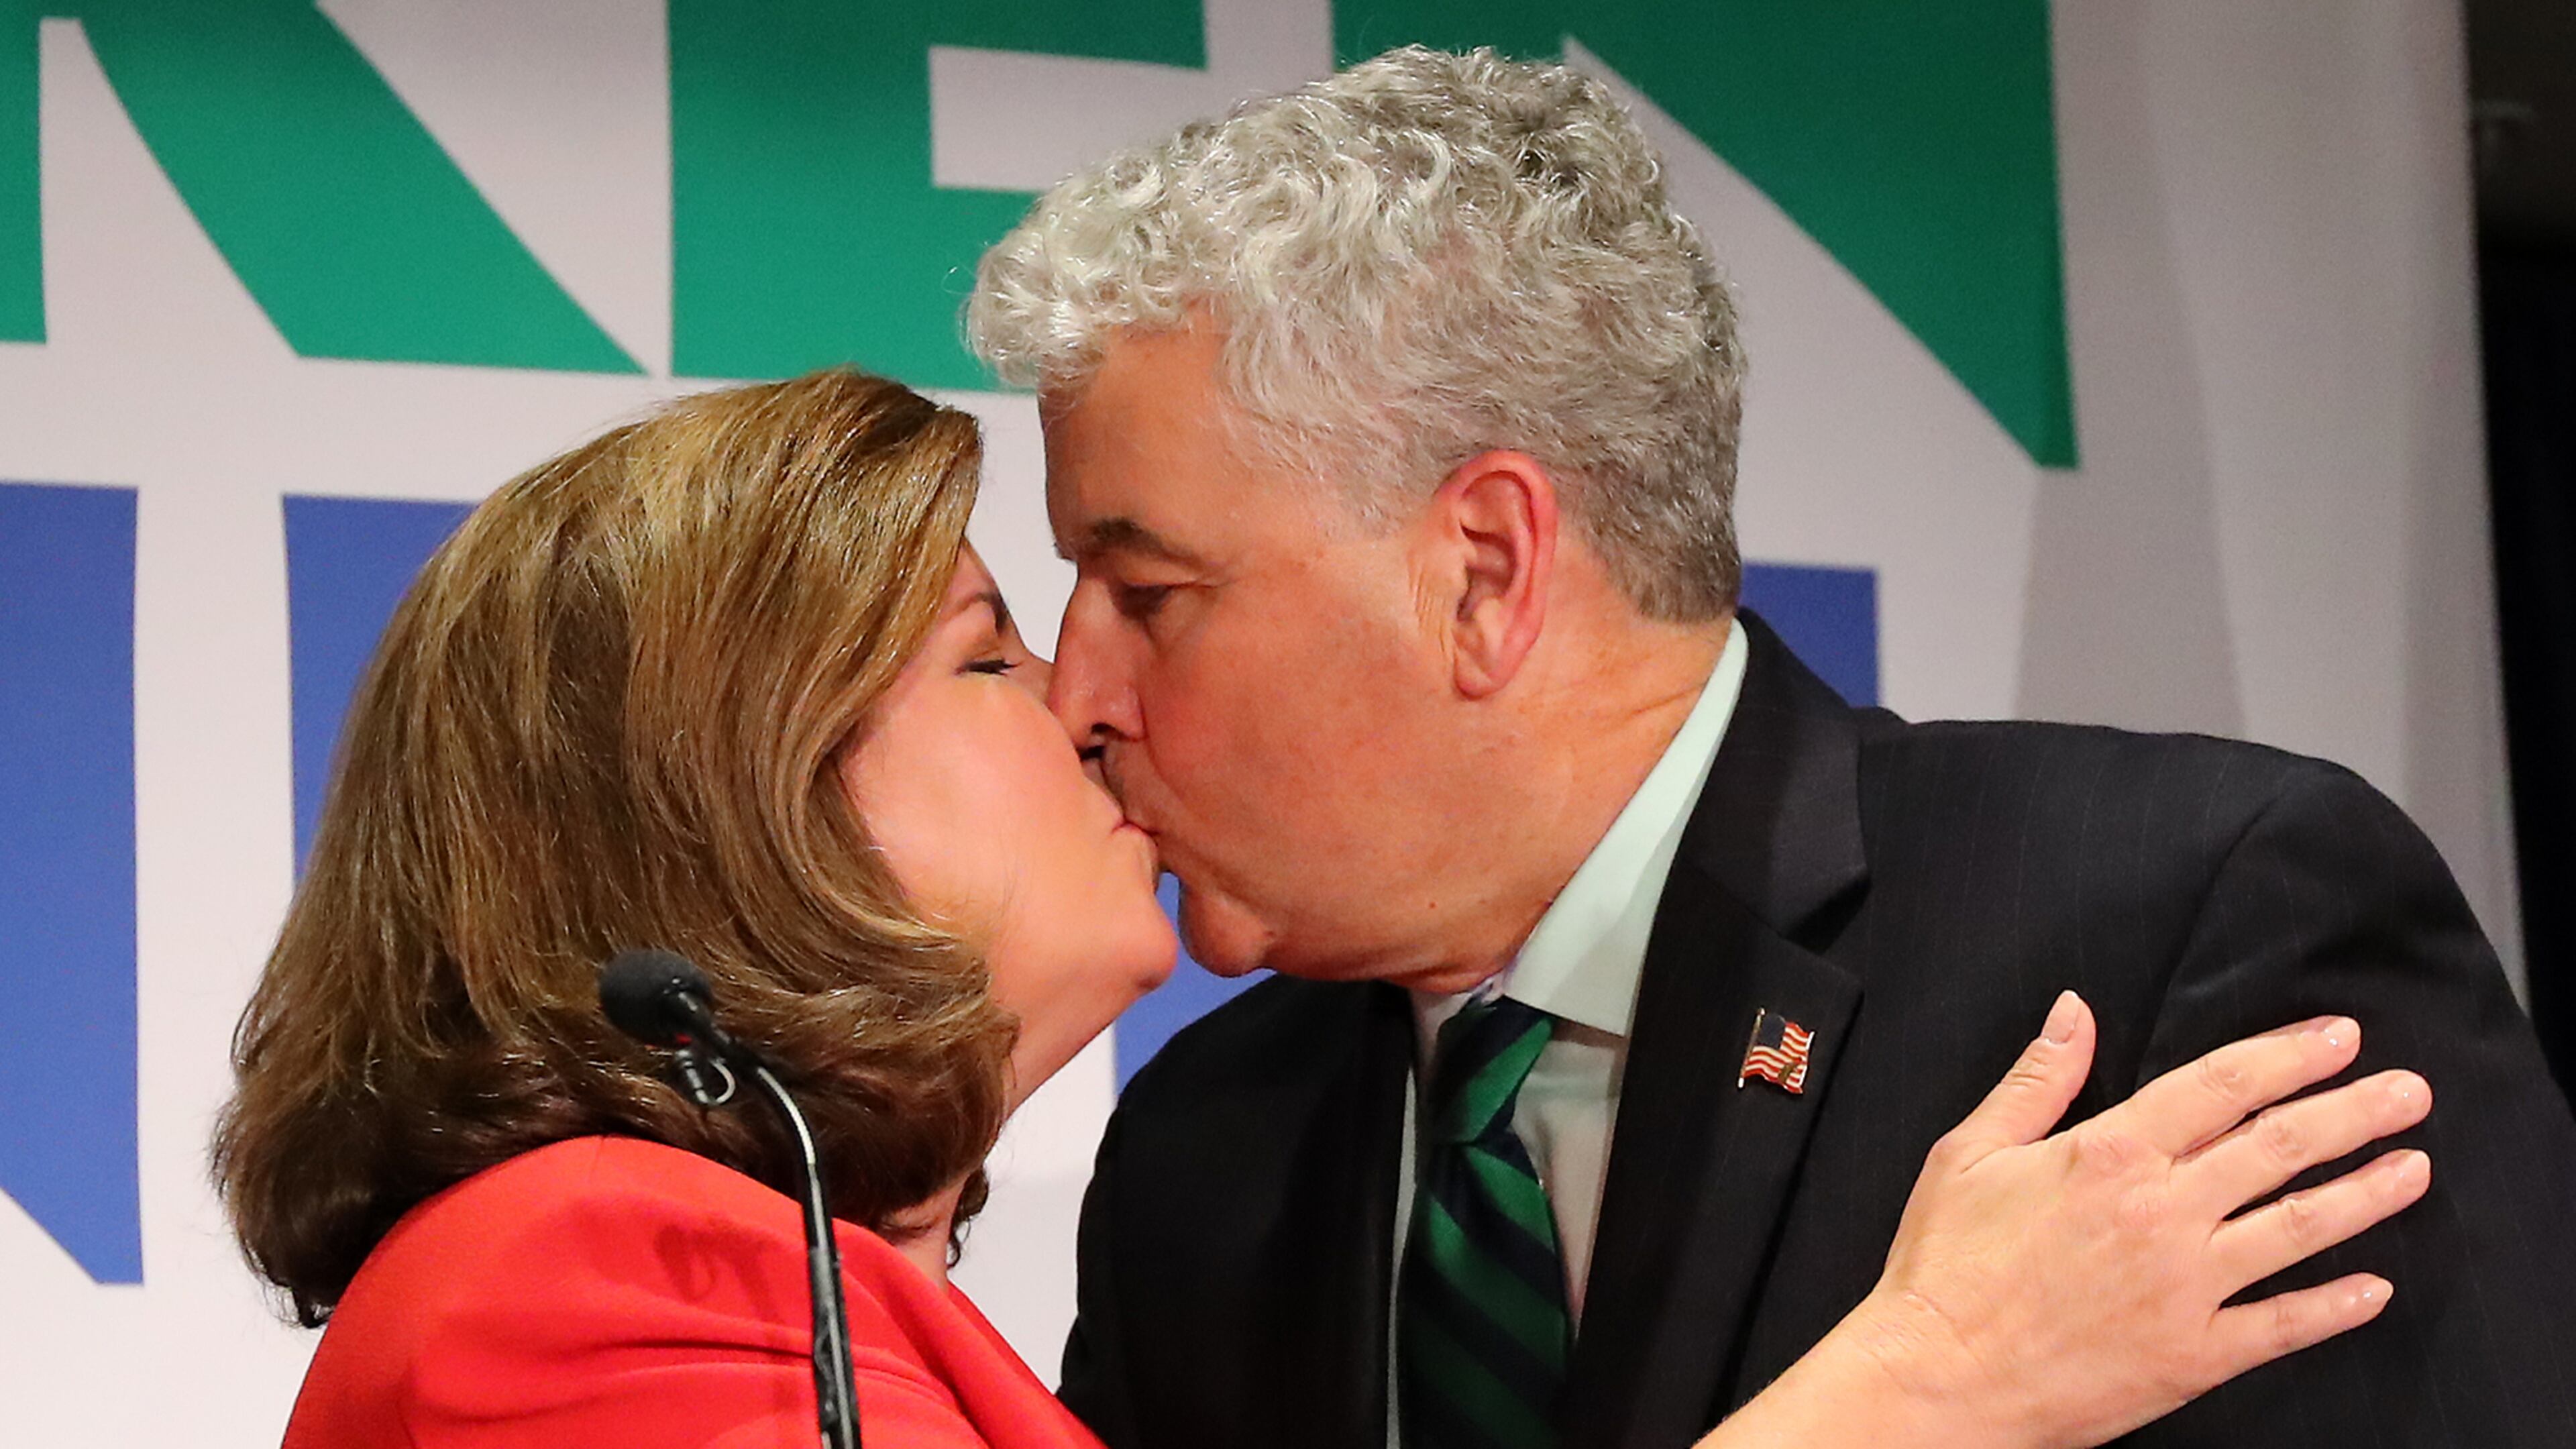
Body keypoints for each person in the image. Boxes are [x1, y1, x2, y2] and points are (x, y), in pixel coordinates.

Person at [219, 370, 2429, 1448]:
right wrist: (1922, 1392)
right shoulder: (575, 1289)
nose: (1094, 707)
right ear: (746, 801)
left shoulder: (2207, 887)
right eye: (995, 654)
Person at [965, 46, 2576, 1449]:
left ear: (1485, 575)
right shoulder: (1204, 1157)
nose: (1077, 694)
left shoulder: (2184, 935)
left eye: (1147, 590)